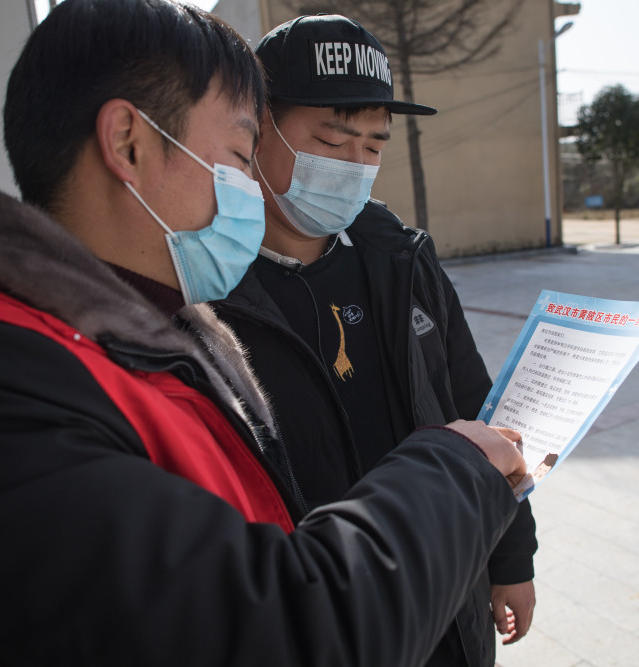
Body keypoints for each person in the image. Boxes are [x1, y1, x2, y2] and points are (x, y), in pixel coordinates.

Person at [0, 2, 528, 665]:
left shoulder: (150, 340)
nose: (249, 191)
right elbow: (278, 630)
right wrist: (456, 466)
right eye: (240, 154)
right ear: (129, 143)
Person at [214, 14, 538, 667]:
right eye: (333, 140)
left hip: (448, 602)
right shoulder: (211, 291)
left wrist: (511, 556)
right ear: (257, 128)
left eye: (373, 146)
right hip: (323, 626)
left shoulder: (403, 262)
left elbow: (479, 409)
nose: (355, 165)